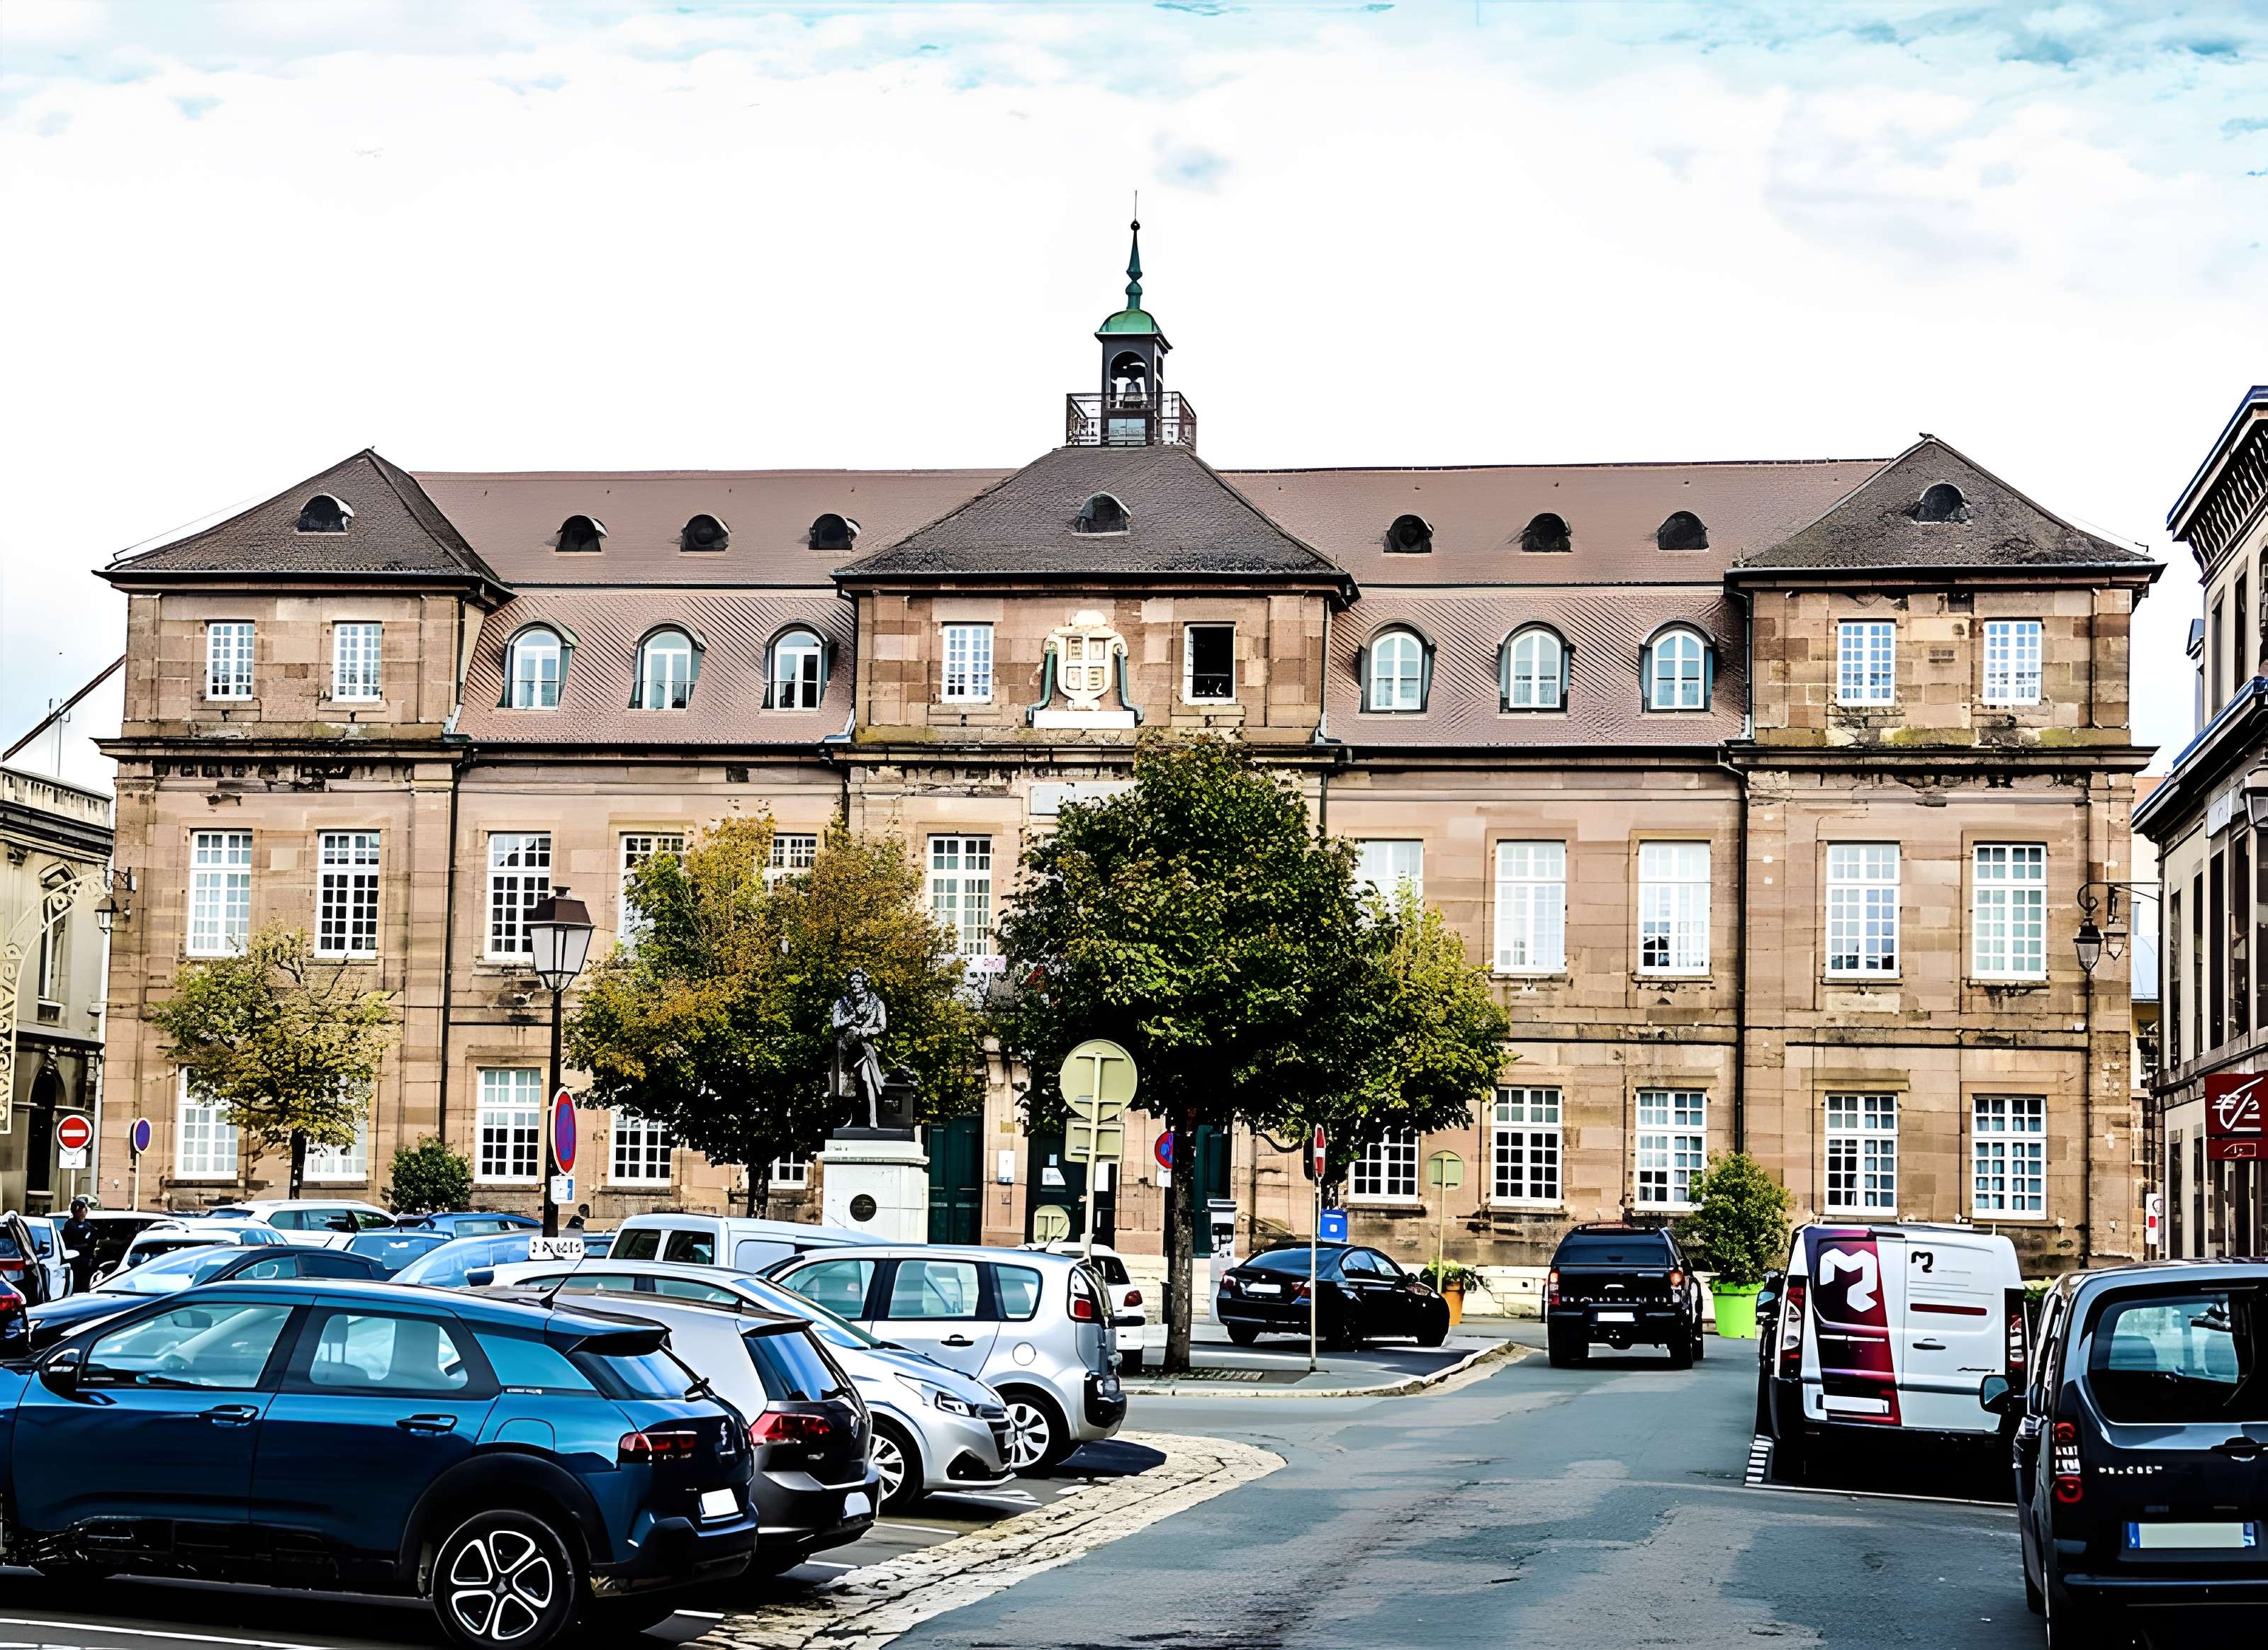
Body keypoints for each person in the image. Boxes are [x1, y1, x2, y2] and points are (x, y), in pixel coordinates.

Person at [60, 1196, 98, 1296]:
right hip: (75, 1261)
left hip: (87, 1260)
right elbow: (75, 1236)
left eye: (82, 1211)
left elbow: (93, 1240)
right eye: (78, 1212)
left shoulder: (89, 1225)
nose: (81, 1213)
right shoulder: (70, 1224)